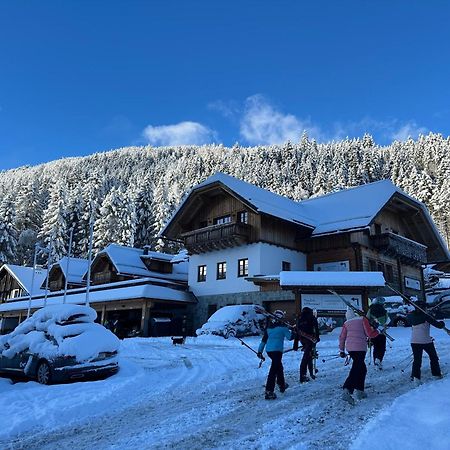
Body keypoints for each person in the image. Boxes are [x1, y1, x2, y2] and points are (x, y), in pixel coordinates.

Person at [339, 308, 379, 405]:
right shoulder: (362, 319)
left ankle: (360, 390)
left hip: (350, 348)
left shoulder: (346, 323)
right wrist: (377, 331)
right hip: (360, 348)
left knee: (362, 368)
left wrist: (341, 350)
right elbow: (369, 334)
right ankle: (347, 389)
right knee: (357, 368)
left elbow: (342, 337)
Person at [257, 310, 294, 400]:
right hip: (277, 351)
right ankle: (269, 391)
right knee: (273, 370)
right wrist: (294, 331)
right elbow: (290, 337)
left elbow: (263, 341)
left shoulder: (269, 328)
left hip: (269, 351)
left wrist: (259, 351)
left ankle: (281, 384)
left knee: (278, 367)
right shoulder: (283, 328)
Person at [407, 301, 445, 383]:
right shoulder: (426, 316)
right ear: (423, 308)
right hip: (425, 341)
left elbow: (409, 318)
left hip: (414, 341)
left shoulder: (411, 316)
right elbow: (439, 325)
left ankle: (415, 377)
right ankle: (436, 374)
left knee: (417, 360)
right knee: (433, 357)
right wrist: (442, 323)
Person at [294, 307, 320, 383]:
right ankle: (302, 376)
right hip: (310, 339)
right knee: (306, 357)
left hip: (302, 339)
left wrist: (295, 344)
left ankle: (310, 373)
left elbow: (297, 331)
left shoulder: (300, 318)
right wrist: (317, 338)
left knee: (308, 355)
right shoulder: (312, 317)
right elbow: (316, 328)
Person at [366, 297, 390, 369]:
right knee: (382, 347)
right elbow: (387, 320)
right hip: (382, 332)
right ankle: (379, 359)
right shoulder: (384, 311)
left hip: (373, 331)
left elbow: (367, 318)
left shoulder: (370, 310)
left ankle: (375, 361)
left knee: (376, 347)